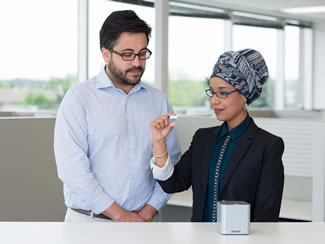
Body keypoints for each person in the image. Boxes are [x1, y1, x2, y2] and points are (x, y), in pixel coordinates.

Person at [54, 10, 181, 222]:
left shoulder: (160, 100)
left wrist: (150, 209)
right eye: (127, 54)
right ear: (106, 54)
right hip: (90, 224)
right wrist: (120, 215)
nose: (138, 63)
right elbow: (72, 169)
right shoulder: (78, 99)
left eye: (142, 53)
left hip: (145, 222)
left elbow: (173, 159)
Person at [150, 49, 284, 222]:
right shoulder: (203, 139)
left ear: (245, 95)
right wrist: (159, 140)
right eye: (212, 92)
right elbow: (173, 184)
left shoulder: (268, 145)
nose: (214, 100)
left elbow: (267, 216)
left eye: (223, 92)